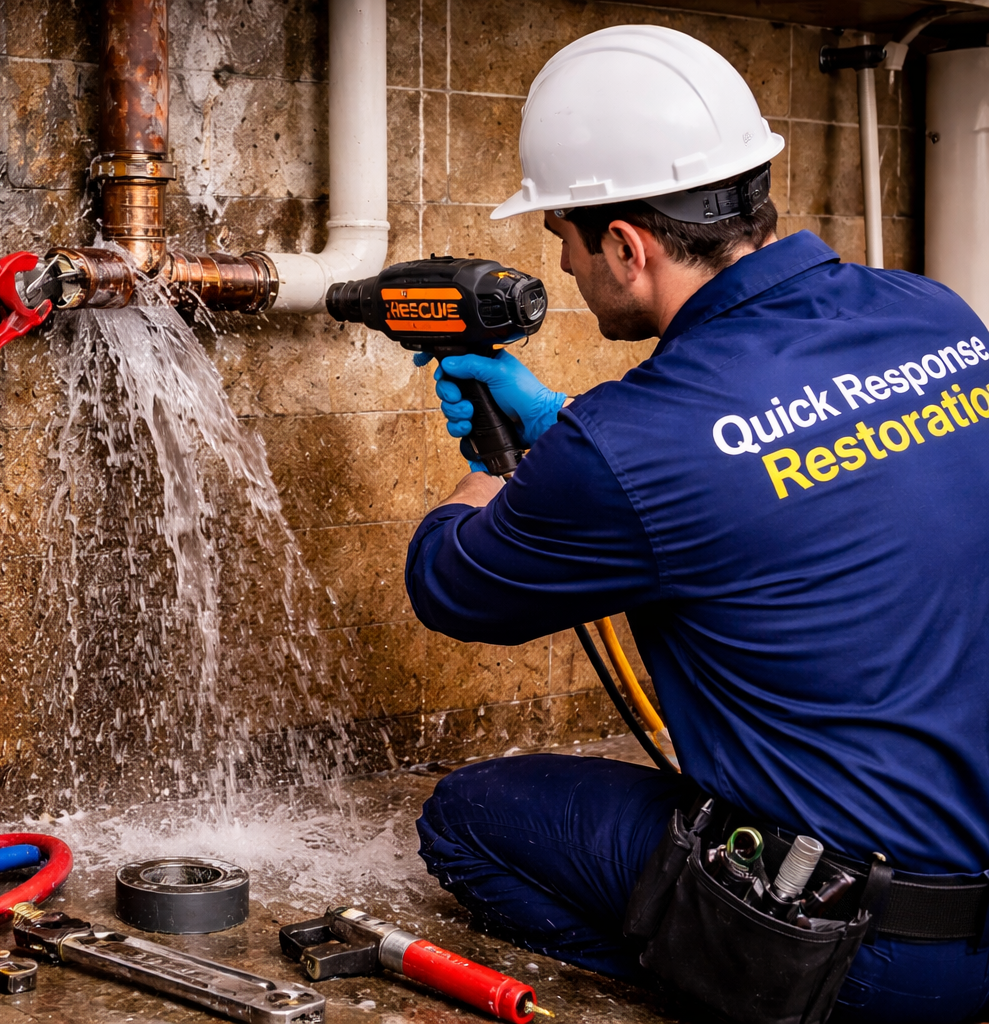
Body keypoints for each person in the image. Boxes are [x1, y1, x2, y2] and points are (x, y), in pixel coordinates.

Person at [406, 24, 989, 1023]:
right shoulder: (936, 317)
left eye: (567, 243)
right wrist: (565, 434)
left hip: (875, 954)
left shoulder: (629, 445)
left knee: (468, 821)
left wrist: (495, 464)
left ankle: (764, 984)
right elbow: (771, 469)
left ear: (627, 246)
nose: (572, 270)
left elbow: (451, 584)